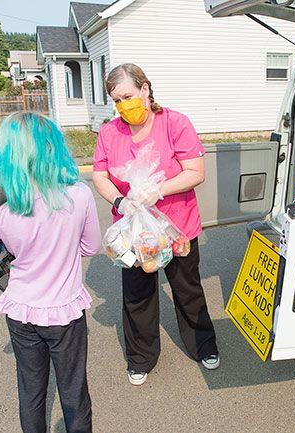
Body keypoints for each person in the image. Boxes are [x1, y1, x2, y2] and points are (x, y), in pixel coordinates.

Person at [0, 112, 101, 433]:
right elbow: (90, 247)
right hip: (65, 312)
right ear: (54, 148)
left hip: (21, 312)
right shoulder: (79, 194)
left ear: (5, 153)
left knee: (31, 391)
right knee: (74, 393)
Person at [92, 63, 219, 386]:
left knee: (187, 289)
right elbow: (100, 176)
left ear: (145, 89)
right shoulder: (109, 132)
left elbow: (195, 172)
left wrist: (157, 190)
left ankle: (202, 345)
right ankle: (141, 357)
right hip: (134, 231)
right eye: (116, 100)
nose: (123, 105)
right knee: (137, 295)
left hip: (177, 227)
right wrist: (120, 201)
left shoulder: (175, 123)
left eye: (127, 96)